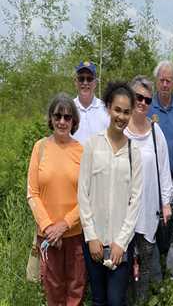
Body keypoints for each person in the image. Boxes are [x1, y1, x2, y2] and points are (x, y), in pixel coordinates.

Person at [78, 82, 142, 306]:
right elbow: (82, 194)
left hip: (120, 244)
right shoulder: (92, 146)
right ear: (108, 108)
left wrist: (121, 243)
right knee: (98, 299)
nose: (121, 116)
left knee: (116, 300)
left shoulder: (134, 153)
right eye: (117, 110)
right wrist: (91, 236)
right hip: (94, 242)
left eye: (126, 112)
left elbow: (135, 202)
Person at [27, 93, 86, 306]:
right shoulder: (40, 148)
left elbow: (87, 197)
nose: (62, 121)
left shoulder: (82, 150)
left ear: (74, 121)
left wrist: (64, 225)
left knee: (75, 290)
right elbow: (32, 193)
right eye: (57, 116)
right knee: (53, 292)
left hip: (75, 235)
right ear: (51, 119)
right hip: (47, 236)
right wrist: (49, 227)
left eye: (67, 117)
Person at [124, 76, 173, 304]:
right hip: (123, 214)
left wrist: (166, 204)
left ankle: (141, 301)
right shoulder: (120, 131)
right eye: (138, 97)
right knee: (122, 266)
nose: (142, 102)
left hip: (149, 211)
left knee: (144, 267)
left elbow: (164, 171)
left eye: (147, 99)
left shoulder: (156, 133)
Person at [147, 60, 173, 280]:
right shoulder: (147, 107)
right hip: (153, 181)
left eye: (168, 80)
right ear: (156, 82)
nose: (164, 84)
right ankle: (156, 278)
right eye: (161, 80)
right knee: (154, 229)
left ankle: (172, 278)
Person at [72, 61, 110, 145]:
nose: (85, 83)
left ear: (95, 83)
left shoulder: (105, 109)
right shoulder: (69, 108)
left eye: (89, 79)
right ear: (75, 82)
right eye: (81, 79)